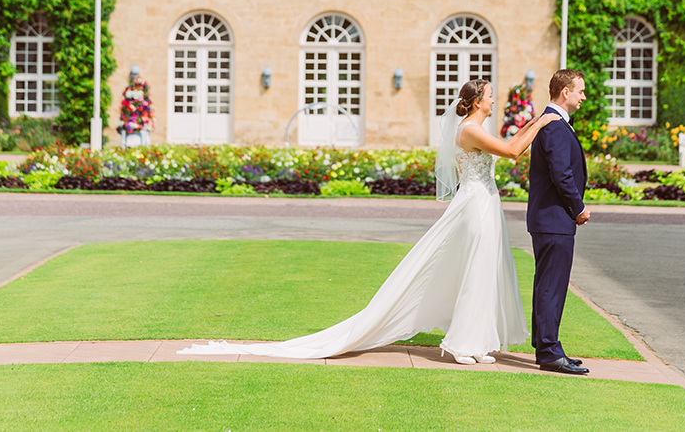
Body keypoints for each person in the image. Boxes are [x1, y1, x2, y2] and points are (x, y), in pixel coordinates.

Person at [179, 79, 561, 364]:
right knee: (474, 270)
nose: (495, 99)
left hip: (485, 203)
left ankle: (475, 343)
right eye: (491, 94)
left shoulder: (478, 128)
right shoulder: (471, 130)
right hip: (475, 206)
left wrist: (537, 121)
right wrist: (543, 121)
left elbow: (510, 144)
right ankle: (462, 344)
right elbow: (512, 151)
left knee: (482, 272)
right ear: (477, 101)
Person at [527, 69, 591, 376]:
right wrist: (577, 208)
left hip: (549, 219)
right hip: (554, 219)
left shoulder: (553, 122)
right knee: (552, 285)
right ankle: (550, 352)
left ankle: (546, 344)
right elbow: (561, 174)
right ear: (564, 92)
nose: (583, 96)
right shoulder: (554, 126)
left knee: (547, 284)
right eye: (580, 91)